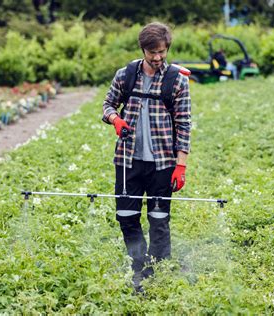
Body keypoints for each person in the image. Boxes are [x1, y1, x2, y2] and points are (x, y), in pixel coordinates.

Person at [102, 22, 191, 292]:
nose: (157, 57)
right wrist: (115, 119)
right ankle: (137, 266)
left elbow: (184, 123)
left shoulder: (177, 80)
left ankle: (157, 273)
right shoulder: (125, 75)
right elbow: (107, 105)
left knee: (159, 220)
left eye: (162, 52)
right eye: (152, 52)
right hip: (128, 161)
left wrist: (181, 165)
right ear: (143, 49)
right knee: (126, 216)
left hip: (163, 164)